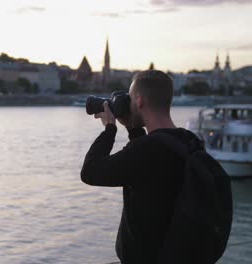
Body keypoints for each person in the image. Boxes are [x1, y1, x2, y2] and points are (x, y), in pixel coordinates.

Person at [81, 70, 201, 263]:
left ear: (139, 101)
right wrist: (133, 129)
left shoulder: (146, 151)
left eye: (129, 97)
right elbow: (150, 173)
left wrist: (109, 129)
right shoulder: (189, 141)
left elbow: (90, 172)